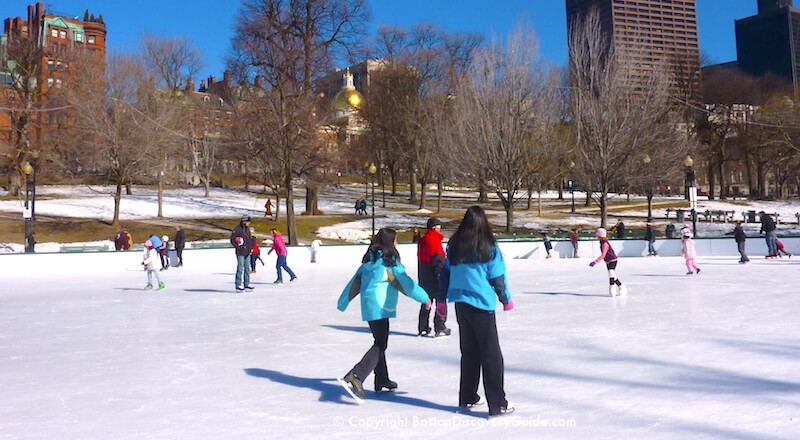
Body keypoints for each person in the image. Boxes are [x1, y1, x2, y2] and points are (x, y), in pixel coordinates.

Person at [337, 228, 431, 402]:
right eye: (395, 240)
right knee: (380, 344)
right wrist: (425, 298)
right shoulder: (389, 262)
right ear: (390, 242)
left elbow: (354, 282)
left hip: (368, 306)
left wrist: (343, 302)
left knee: (379, 341)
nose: (397, 243)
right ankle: (356, 375)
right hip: (380, 307)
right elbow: (407, 283)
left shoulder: (369, 260)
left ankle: (382, 379)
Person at [440, 206, 514, 417]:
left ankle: (468, 396)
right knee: (491, 355)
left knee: (470, 352)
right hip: (481, 305)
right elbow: (497, 276)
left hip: (461, 304)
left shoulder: (455, 245)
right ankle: (497, 402)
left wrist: (441, 299)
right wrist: (505, 298)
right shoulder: (488, 246)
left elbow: (445, 273)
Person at [417, 217, 450, 337]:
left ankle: (423, 326)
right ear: (434, 228)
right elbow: (438, 262)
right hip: (435, 277)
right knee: (441, 301)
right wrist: (441, 276)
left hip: (424, 276)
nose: (440, 230)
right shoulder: (434, 241)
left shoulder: (422, 240)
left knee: (427, 301)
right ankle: (440, 325)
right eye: (439, 228)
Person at [590, 227, 627, 297]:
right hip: (607, 261)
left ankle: (619, 287)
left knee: (611, 273)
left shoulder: (605, 244)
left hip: (613, 260)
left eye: (597, 234)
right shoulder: (601, 242)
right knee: (611, 275)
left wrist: (595, 262)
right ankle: (618, 287)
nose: (596, 236)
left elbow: (603, 255)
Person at [230, 215, 255, 292]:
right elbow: (233, 240)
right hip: (240, 252)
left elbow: (248, 240)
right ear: (244, 222)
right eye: (248, 222)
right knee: (240, 268)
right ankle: (238, 285)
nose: (249, 223)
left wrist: (251, 245)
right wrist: (239, 247)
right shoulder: (237, 229)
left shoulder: (247, 229)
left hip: (247, 251)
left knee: (247, 268)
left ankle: (246, 284)